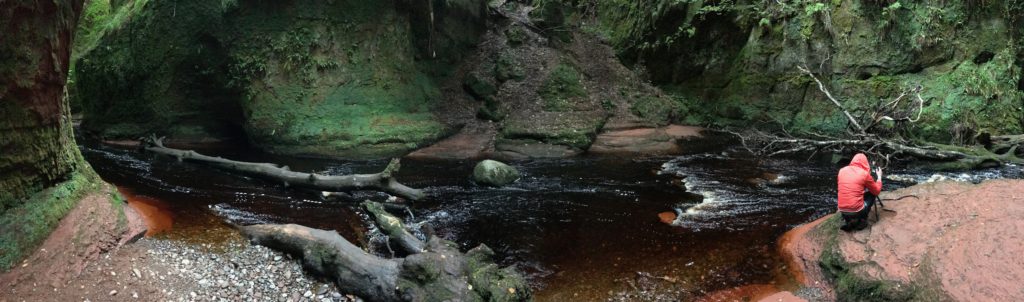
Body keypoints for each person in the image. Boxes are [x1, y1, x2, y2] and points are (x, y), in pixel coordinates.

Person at [836, 153, 882, 231]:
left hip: (842, 210)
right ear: (866, 163)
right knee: (872, 194)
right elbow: (876, 191)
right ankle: (862, 220)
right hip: (856, 211)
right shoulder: (864, 174)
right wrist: (879, 178)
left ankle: (848, 220)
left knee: (852, 194)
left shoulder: (842, 171)